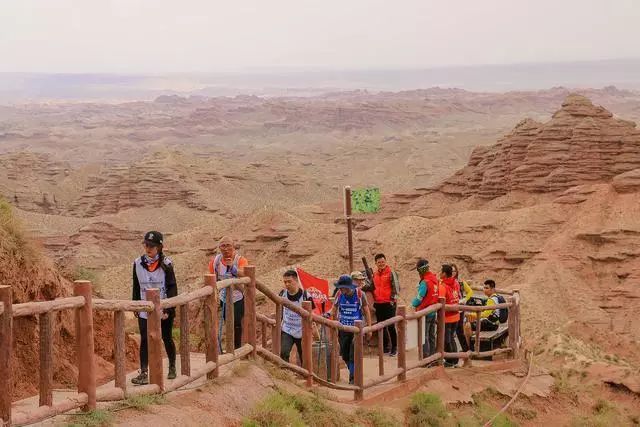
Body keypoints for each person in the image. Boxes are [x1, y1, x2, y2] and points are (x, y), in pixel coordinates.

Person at [131, 231, 178, 385]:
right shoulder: (137, 263)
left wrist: (169, 309)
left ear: (159, 247)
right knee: (145, 339)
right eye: (146, 245)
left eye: (151, 246)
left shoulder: (167, 264)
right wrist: (136, 305)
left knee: (166, 337)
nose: (148, 248)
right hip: (144, 308)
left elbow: (172, 287)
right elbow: (136, 286)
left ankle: (172, 366)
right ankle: (144, 372)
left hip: (163, 308)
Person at [208, 236, 248, 350]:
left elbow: (245, 273)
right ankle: (229, 348)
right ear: (219, 248)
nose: (226, 249)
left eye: (228, 245)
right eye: (223, 246)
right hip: (223, 297)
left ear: (233, 246)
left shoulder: (240, 260)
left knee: (236, 323)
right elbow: (212, 278)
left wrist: (233, 268)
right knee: (227, 322)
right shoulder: (215, 262)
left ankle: (237, 348)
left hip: (238, 296)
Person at [331, 275, 372, 384]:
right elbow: (334, 309)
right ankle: (353, 373)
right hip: (343, 328)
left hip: (356, 330)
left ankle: (354, 377)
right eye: (340, 287)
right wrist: (333, 323)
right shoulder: (339, 294)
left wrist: (369, 328)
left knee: (353, 353)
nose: (341, 289)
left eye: (343, 287)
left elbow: (366, 310)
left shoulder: (360, 294)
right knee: (344, 355)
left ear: (348, 287)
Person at [279, 269, 314, 365]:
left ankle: (305, 373)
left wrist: (312, 329)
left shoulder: (306, 296)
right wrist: (279, 322)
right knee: (284, 352)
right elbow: (279, 309)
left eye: (289, 281)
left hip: (302, 330)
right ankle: (285, 372)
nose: (287, 284)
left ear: (296, 280)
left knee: (304, 356)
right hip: (287, 329)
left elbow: (313, 313)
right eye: (285, 282)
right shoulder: (282, 294)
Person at [372, 253, 400, 356]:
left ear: (386, 261)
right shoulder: (374, 274)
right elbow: (372, 287)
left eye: (382, 262)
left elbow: (396, 288)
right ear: (376, 263)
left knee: (391, 326)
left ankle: (394, 348)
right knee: (381, 326)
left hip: (389, 303)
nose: (381, 264)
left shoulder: (391, 273)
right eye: (379, 262)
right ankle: (385, 347)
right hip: (378, 304)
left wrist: (392, 300)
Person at [411, 259, 440, 357]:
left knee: (424, 336)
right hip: (433, 311)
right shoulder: (434, 279)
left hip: (425, 312)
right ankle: (433, 356)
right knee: (431, 335)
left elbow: (419, 297)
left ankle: (426, 357)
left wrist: (412, 305)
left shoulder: (425, 282)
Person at [440, 264, 460, 367]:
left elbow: (440, 301)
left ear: (444, 273)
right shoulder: (455, 283)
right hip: (456, 315)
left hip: (447, 317)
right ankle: (455, 360)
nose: (439, 273)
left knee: (447, 340)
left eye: (441, 271)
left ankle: (450, 360)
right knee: (451, 338)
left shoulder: (443, 286)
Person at [451, 263, 473, 353]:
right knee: (453, 331)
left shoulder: (460, 282)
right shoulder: (445, 282)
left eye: (454, 271)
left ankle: (465, 350)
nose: (453, 272)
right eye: (451, 271)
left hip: (460, 308)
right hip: (451, 308)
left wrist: (465, 299)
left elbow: (470, 292)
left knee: (459, 330)